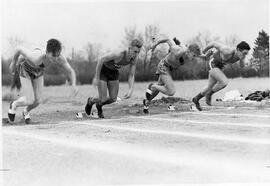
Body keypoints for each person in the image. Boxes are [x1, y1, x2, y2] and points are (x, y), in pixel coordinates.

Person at [8, 39, 78, 124]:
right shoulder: (36, 57)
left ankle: (26, 111)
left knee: (38, 100)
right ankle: (14, 104)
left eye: (58, 55)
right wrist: (14, 62)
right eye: (53, 56)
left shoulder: (60, 58)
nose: (56, 59)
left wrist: (74, 84)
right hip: (25, 70)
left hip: (38, 72)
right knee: (30, 100)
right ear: (47, 52)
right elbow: (18, 49)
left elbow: (70, 71)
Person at [85, 39, 143, 118]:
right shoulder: (119, 53)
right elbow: (101, 60)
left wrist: (130, 89)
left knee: (113, 99)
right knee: (102, 98)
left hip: (114, 73)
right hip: (103, 71)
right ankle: (90, 101)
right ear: (129, 48)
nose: (136, 54)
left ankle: (99, 105)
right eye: (135, 51)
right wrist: (96, 77)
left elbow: (131, 75)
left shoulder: (134, 59)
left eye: (138, 52)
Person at [143, 37, 201, 113]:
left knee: (159, 88)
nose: (194, 58)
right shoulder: (179, 50)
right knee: (171, 91)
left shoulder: (189, 53)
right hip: (164, 66)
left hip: (169, 69)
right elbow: (167, 39)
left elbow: (201, 55)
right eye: (193, 56)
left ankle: (146, 103)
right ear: (189, 51)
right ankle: (152, 86)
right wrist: (155, 44)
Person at [192, 41, 251, 111]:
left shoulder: (242, 56)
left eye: (246, 54)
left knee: (209, 87)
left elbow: (241, 66)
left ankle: (196, 99)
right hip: (212, 63)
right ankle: (209, 94)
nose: (244, 55)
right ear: (238, 49)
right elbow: (213, 43)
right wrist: (203, 52)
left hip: (219, 67)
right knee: (224, 82)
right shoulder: (227, 50)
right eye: (244, 53)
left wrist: (247, 63)